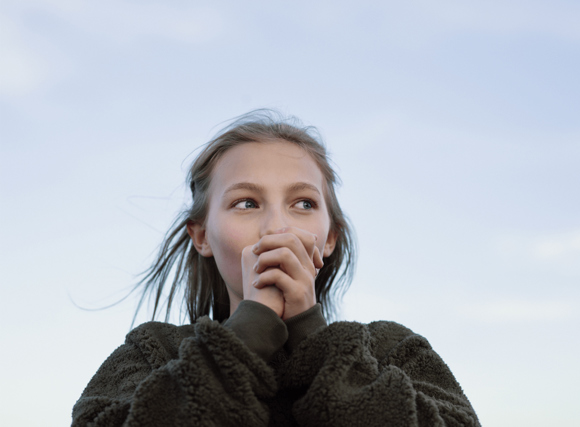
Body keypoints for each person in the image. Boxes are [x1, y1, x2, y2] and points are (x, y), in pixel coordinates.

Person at [71, 110, 481, 426]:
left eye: (303, 203)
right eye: (246, 203)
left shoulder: (393, 351)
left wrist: (311, 337)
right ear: (202, 236)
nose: (277, 228)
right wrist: (250, 330)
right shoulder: (152, 354)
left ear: (330, 236)